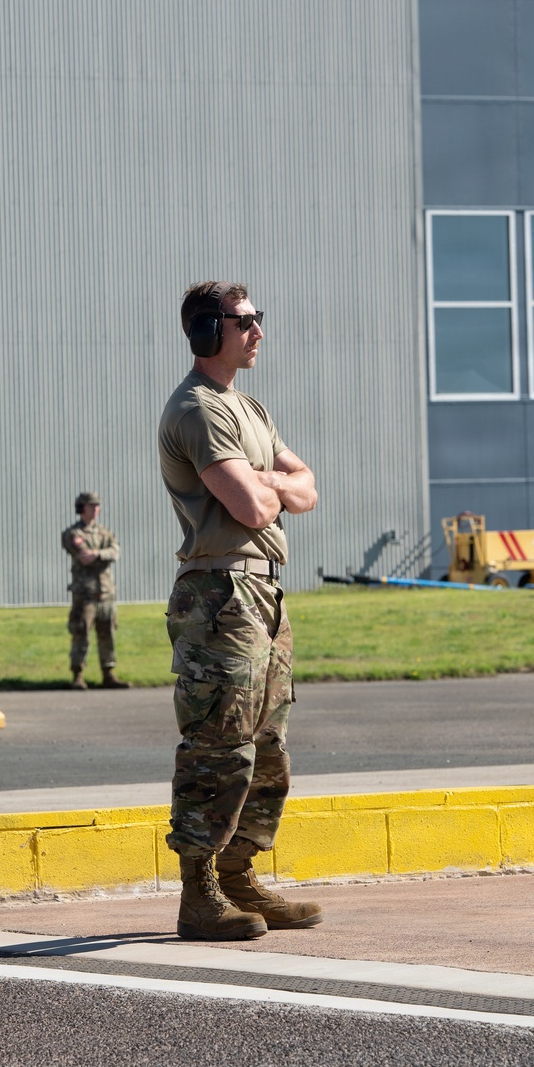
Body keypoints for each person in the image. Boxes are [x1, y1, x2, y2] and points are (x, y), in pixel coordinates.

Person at [158, 280, 322, 942]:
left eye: (259, 318)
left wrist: (267, 482)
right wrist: (269, 486)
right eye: (245, 321)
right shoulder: (198, 410)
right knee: (218, 745)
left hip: (262, 591)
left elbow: (305, 489)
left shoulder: (247, 406)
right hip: (219, 594)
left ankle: (239, 874)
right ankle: (198, 895)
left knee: (267, 743)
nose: (259, 331)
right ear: (206, 331)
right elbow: (254, 509)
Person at [61, 492, 128, 690]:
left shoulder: (104, 532)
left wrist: (97, 553)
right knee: (81, 632)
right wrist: (101, 555)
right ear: (82, 507)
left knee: (108, 632)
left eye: (97, 506)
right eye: (92, 505)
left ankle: (108, 673)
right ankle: (78, 675)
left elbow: (115, 551)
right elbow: (82, 555)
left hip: (106, 592)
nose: (96, 509)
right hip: (85, 594)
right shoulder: (73, 533)